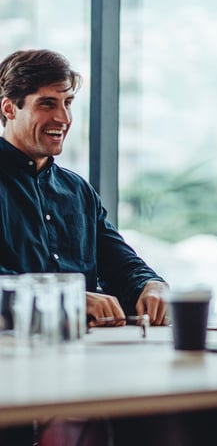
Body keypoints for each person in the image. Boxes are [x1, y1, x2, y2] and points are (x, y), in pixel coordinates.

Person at [0, 48, 168, 325]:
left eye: (67, 103)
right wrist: (67, 299)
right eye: (47, 104)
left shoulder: (77, 190)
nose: (63, 118)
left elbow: (119, 263)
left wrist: (150, 285)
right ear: (9, 108)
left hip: (86, 354)